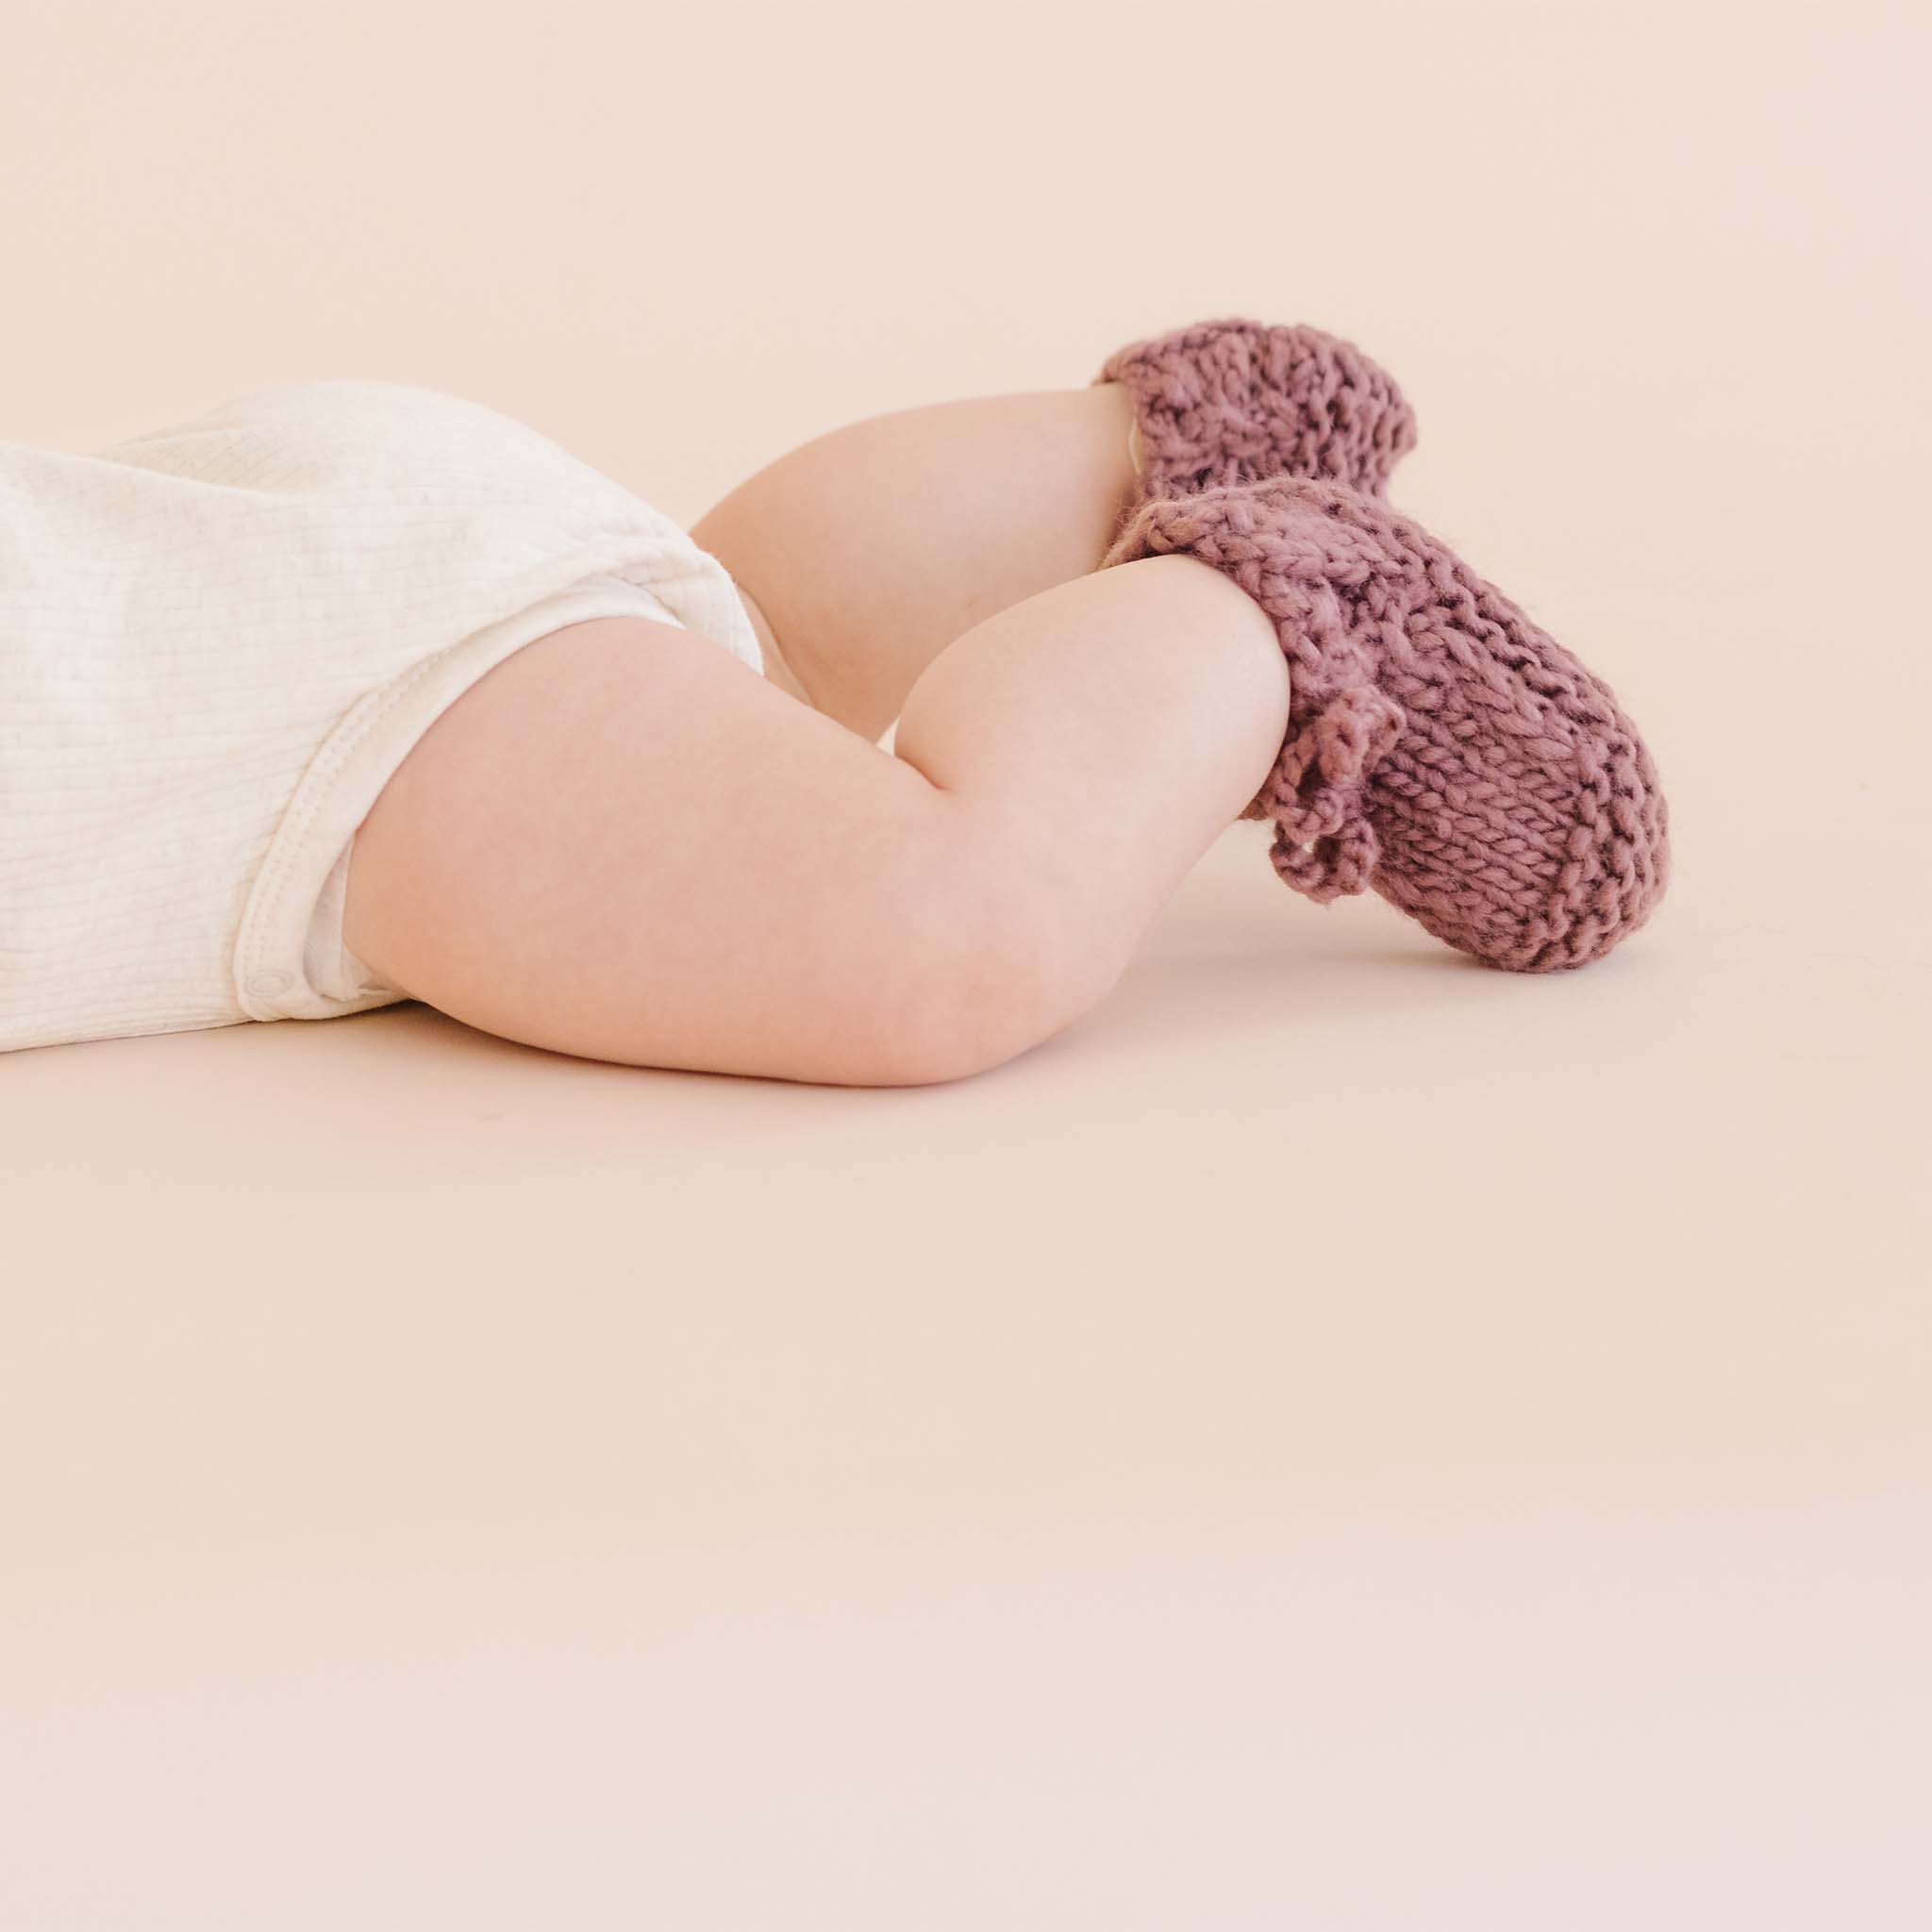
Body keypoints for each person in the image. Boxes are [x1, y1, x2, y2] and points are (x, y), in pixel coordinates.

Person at [0, 320, 1668, 1082]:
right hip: (264, 516)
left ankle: (1295, 619)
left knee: (943, 924)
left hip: (294, 741)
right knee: (751, 662)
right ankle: (1132, 465)